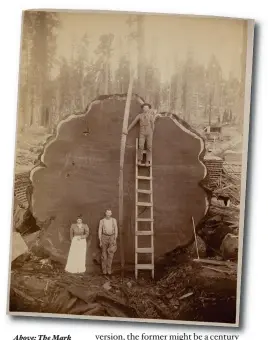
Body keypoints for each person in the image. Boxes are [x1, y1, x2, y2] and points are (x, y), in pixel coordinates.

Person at [98, 209, 118, 275]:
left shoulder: (114, 220)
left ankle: (109, 269)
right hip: (104, 237)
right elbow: (100, 230)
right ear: (105, 213)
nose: (108, 214)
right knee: (104, 254)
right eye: (107, 213)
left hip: (112, 237)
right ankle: (104, 270)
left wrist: (115, 239)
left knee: (111, 253)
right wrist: (100, 240)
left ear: (111, 214)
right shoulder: (102, 221)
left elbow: (116, 229)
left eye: (110, 213)